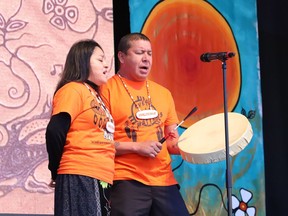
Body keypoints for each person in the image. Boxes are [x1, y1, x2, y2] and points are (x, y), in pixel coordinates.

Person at [100, 33, 189, 216]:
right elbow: (98, 143)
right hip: (126, 179)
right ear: (122, 57)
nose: (146, 58)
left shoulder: (163, 93)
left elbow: (172, 144)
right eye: (140, 52)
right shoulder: (106, 90)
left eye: (149, 53)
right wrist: (137, 147)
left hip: (164, 180)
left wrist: (195, 145)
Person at [45, 39, 115, 216]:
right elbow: (55, 130)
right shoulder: (73, 89)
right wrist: (55, 170)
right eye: (100, 60)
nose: (106, 65)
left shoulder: (95, 95)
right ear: (83, 61)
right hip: (81, 172)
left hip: (102, 175)